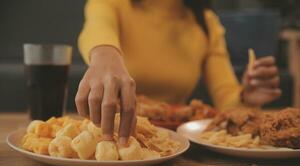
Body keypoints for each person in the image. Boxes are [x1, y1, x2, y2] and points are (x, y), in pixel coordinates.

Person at [75, 0, 281, 145]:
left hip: (176, 145)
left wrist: (247, 98)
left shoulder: (206, 23)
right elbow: (96, 26)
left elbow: (227, 101)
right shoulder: (114, 4)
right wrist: (105, 54)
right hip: (113, 134)